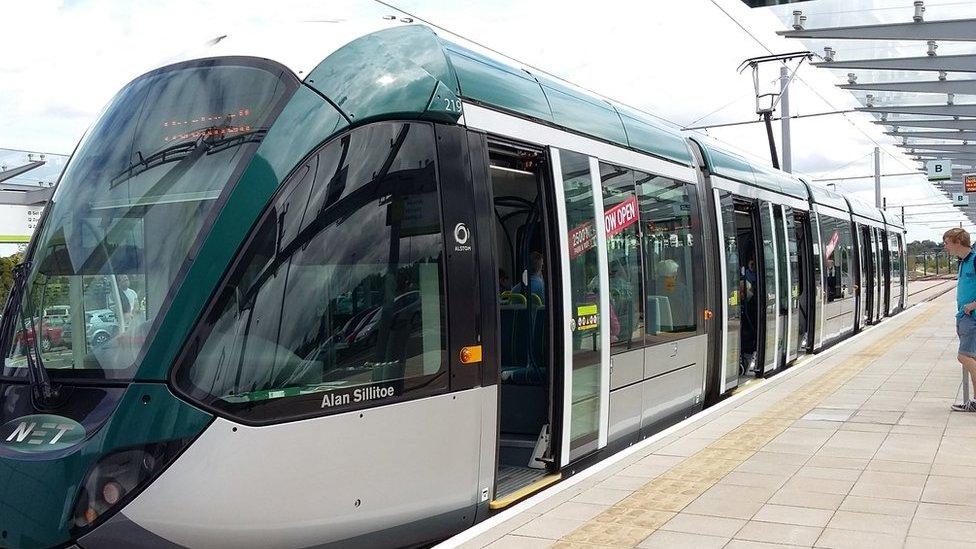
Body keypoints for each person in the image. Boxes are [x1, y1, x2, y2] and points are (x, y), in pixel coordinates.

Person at [944, 228, 976, 412]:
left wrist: (973, 305)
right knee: (972, 357)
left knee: (963, 356)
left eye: (947, 242)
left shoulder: (975, 260)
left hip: (971, 317)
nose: (945, 246)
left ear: (958, 242)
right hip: (964, 316)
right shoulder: (963, 262)